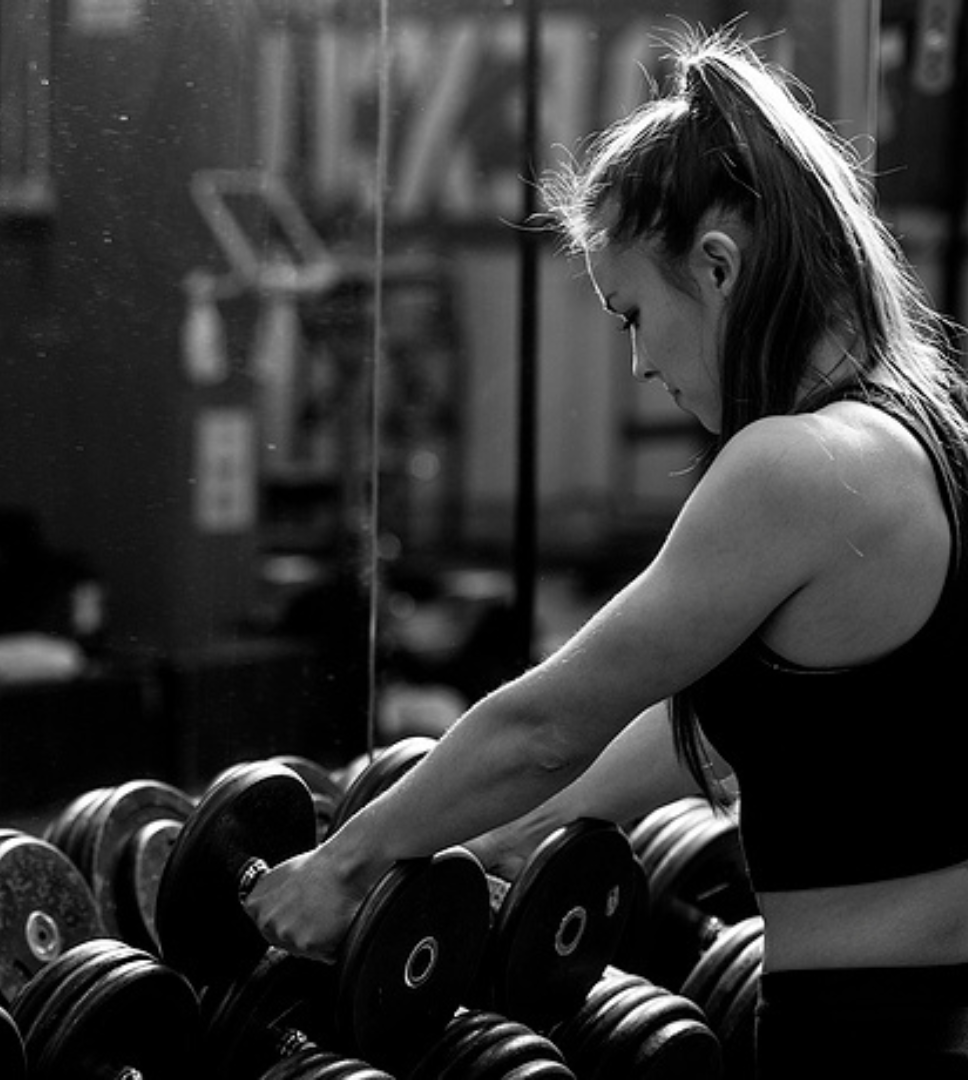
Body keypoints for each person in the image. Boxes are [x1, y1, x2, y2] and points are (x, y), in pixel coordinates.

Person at [245, 26, 968, 1077]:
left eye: (633, 314)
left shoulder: (795, 468)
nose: (636, 363)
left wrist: (344, 865)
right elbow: (714, 738)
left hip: (866, 1036)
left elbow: (548, 722)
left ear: (717, 268)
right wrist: (481, 836)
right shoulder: (929, 433)